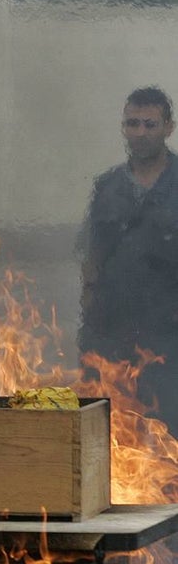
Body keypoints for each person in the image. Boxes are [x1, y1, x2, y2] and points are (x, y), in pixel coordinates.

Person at [79, 86, 178, 434]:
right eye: (132, 123)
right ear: (124, 128)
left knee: (170, 435)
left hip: (169, 339)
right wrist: (89, 327)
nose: (140, 132)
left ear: (169, 127)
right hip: (113, 335)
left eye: (150, 124)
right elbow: (92, 258)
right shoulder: (108, 186)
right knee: (113, 434)